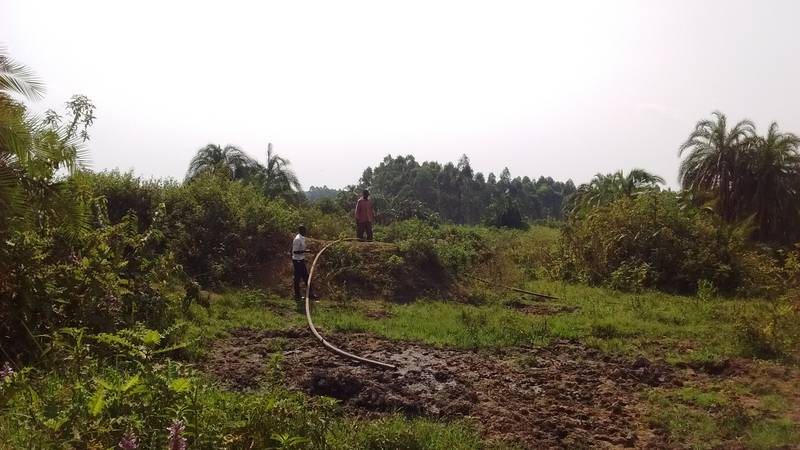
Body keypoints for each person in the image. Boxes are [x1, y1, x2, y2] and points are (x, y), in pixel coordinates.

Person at [292, 224, 314, 303]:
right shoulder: (297, 239)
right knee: (297, 279)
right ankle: (297, 295)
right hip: (297, 261)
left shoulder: (302, 238)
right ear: (301, 231)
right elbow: (295, 251)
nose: (306, 232)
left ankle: (310, 294)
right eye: (304, 230)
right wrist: (305, 251)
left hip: (301, 260)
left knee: (306, 277)